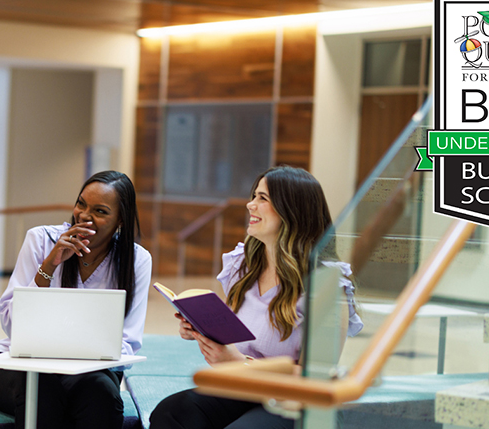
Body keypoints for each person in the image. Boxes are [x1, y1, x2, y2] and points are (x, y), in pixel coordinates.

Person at [149, 166, 363, 429]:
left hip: (297, 401)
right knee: (172, 412)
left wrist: (238, 363)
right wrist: (198, 328)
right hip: (246, 388)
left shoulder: (326, 284)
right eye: (254, 196)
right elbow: (233, 329)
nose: (251, 205)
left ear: (291, 210)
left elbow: (314, 379)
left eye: (263, 198)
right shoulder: (245, 266)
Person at [0, 171, 152, 429]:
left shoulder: (136, 260)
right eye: (81, 204)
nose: (84, 215)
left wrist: (78, 363)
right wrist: (50, 264)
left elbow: (128, 341)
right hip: (23, 367)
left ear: (120, 219)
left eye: (100, 211)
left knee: (102, 395)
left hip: (90, 373)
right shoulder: (40, 240)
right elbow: (11, 324)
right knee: (44, 389)